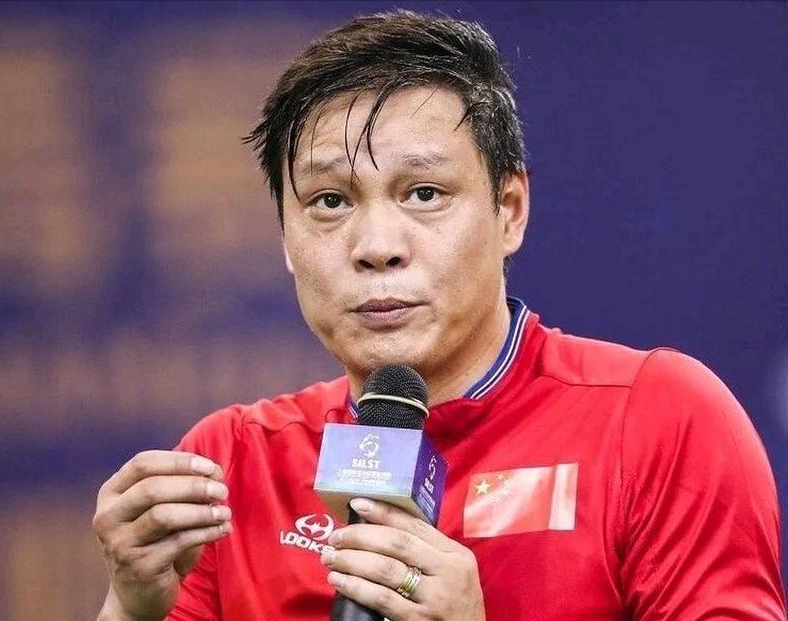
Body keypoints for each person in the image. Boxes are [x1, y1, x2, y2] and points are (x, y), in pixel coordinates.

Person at [92, 10, 785, 621]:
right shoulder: (231, 467)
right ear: (284, 239)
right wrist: (128, 607)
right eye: (329, 202)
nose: (376, 247)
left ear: (509, 210)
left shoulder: (657, 420)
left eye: (423, 193)